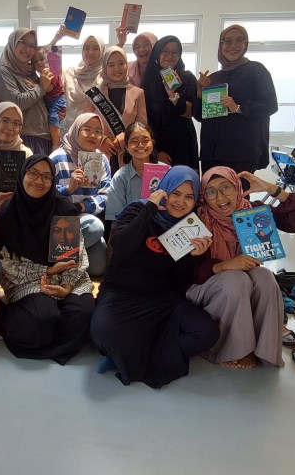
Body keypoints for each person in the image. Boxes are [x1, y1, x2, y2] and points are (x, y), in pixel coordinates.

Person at [91, 166, 218, 388]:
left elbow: (179, 280)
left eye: (189, 197)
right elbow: (120, 247)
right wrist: (149, 209)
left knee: (206, 332)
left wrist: (193, 257)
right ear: (163, 190)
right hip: (122, 294)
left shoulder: (191, 227)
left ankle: (134, 354)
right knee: (105, 333)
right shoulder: (137, 210)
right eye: (175, 193)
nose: (180, 202)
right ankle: (135, 351)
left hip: (162, 300)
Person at [190, 166, 295, 369]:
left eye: (226, 187)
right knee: (236, 278)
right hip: (205, 289)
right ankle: (230, 349)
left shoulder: (252, 212)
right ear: (203, 196)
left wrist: (271, 188)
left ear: (237, 188)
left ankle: (263, 349)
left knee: (265, 277)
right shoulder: (197, 220)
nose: (220, 197)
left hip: (240, 287)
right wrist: (225, 265)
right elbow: (184, 272)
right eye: (211, 191)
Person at [0, 155, 95, 364]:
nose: (39, 181)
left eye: (47, 176)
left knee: (82, 313)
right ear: (22, 174)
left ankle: (45, 340)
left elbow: (77, 253)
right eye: (33, 173)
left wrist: (66, 287)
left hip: (67, 277)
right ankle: (10, 319)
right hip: (27, 279)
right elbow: (9, 267)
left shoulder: (63, 208)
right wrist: (48, 271)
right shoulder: (7, 215)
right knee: (42, 317)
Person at [195, 25, 279, 173]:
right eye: (227, 41)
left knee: (240, 188)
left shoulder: (256, 70)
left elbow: (270, 105)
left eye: (239, 40)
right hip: (211, 153)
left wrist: (238, 108)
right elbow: (200, 116)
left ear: (245, 44)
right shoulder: (213, 78)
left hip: (241, 153)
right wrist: (200, 91)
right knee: (209, 188)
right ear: (221, 45)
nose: (233, 46)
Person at [49, 113, 111, 277]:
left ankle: (63, 257)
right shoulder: (57, 158)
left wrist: (82, 206)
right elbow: (45, 195)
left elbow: (106, 195)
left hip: (84, 215)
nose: (93, 135)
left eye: (98, 131)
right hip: (59, 219)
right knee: (95, 227)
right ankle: (58, 258)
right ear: (76, 130)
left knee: (98, 268)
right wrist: (67, 189)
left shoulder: (101, 160)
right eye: (87, 129)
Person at [140, 36, 200, 171]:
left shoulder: (187, 78)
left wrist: (173, 94)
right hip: (156, 144)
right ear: (157, 53)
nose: (170, 56)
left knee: (185, 181)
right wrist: (156, 150)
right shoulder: (148, 81)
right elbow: (145, 119)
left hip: (183, 143)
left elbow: (193, 112)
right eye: (165, 51)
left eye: (175, 52)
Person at [0, 28, 54, 156]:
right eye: (23, 43)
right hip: (22, 139)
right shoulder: (3, 72)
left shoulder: (29, 72)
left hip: (43, 138)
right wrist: (41, 88)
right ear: (13, 43)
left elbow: (39, 101)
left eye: (32, 46)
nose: (28, 49)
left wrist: (56, 110)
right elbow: (15, 103)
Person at [88, 46, 148, 172]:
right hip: (98, 153)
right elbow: (84, 124)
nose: (117, 68)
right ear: (104, 67)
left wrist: (125, 137)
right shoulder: (94, 94)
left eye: (121, 63)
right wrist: (102, 140)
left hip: (128, 154)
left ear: (127, 64)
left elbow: (142, 126)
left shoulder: (138, 93)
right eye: (111, 65)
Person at [104, 122, 166, 227]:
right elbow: (116, 219)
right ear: (126, 146)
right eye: (134, 141)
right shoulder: (120, 177)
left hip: (163, 229)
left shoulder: (166, 172)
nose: (140, 145)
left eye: (145, 140)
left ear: (152, 143)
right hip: (133, 230)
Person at [50, 27, 105, 136]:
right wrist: (56, 39)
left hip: (93, 136)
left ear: (102, 51)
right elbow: (50, 64)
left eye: (96, 48)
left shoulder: (105, 76)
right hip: (67, 133)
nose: (90, 52)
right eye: (86, 48)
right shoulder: (70, 73)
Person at [33, 46, 66, 150]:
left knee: (53, 121)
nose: (39, 63)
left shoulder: (52, 72)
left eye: (42, 59)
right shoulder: (41, 76)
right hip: (49, 101)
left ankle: (56, 146)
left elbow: (48, 88)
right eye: (35, 61)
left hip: (56, 100)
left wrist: (35, 86)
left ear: (48, 59)